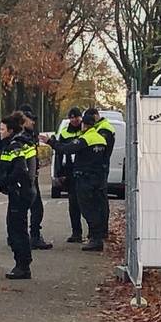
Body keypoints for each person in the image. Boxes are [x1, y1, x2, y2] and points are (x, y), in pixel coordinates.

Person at [47, 110, 110, 252]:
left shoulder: (86, 138)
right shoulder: (101, 138)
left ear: (84, 125)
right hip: (98, 178)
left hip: (85, 179)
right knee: (96, 207)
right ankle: (97, 236)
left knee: (87, 209)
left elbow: (66, 149)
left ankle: (96, 239)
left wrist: (50, 142)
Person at [0, 112, 37, 279]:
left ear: (10, 130)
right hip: (25, 191)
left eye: (2, 129)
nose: (0, 132)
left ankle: (22, 266)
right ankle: (22, 264)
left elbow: (19, 169)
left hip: (19, 193)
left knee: (16, 229)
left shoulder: (15, 146)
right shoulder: (25, 142)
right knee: (18, 227)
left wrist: (6, 182)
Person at [19, 105, 53, 250]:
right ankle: (32, 236)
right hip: (25, 178)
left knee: (29, 208)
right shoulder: (20, 136)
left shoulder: (31, 134)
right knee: (33, 207)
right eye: (30, 119)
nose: (33, 122)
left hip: (30, 176)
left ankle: (23, 236)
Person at [56, 107, 85, 243]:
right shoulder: (64, 133)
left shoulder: (85, 130)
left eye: (76, 117)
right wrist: (59, 172)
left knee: (86, 203)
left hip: (84, 171)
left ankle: (93, 233)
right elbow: (59, 153)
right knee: (73, 204)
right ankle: (76, 232)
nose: (74, 120)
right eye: (71, 117)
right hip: (70, 171)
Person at [89, 107, 116, 242]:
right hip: (101, 167)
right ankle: (99, 231)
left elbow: (101, 150)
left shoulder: (104, 129)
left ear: (95, 116)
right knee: (99, 200)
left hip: (100, 168)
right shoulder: (102, 127)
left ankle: (102, 231)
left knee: (100, 200)